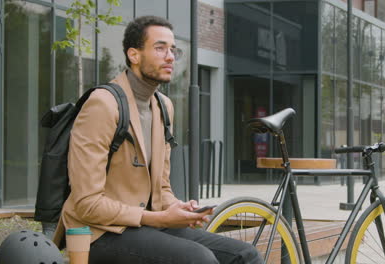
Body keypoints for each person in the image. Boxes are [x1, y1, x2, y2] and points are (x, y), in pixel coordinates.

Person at [52, 15, 262, 264]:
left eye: (173, 49)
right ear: (134, 55)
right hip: (99, 233)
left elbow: (161, 189)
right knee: (199, 259)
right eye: (160, 48)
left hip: (147, 225)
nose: (170, 56)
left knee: (246, 255)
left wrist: (180, 209)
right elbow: (86, 203)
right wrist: (159, 219)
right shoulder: (103, 104)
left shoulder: (163, 106)